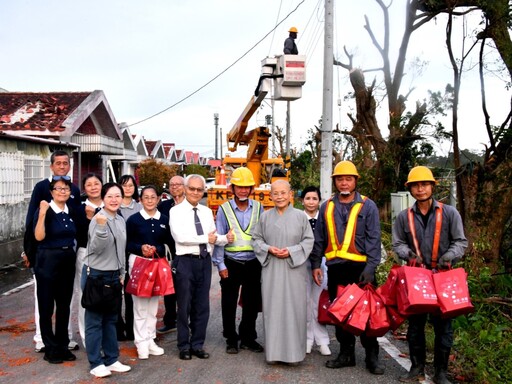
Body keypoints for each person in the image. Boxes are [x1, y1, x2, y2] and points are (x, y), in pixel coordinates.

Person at [392, 166, 468, 384]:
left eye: (424, 184)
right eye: (415, 185)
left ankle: (441, 372)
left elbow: (460, 241)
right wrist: (408, 254)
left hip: (442, 277)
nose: (420, 189)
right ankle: (416, 369)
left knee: (443, 326)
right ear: (410, 189)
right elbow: (397, 242)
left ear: (433, 186)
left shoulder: (449, 213)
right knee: (415, 325)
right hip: (417, 279)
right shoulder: (404, 217)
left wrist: (449, 257)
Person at [309, 160, 385, 375]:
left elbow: (374, 238)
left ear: (355, 181)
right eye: (340, 179)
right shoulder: (327, 206)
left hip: (361, 269)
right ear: (335, 182)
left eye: (348, 179)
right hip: (336, 269)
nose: (344, 183)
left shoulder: (368, 206)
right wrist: (316, 264)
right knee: (340, 314)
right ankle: (346, 354)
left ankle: (372, 356)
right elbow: (319, 238)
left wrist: (371, 267)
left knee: (366, 315)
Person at [24, 150, 81, 353]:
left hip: (67, 257)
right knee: (45, 302)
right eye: (58, 163)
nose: (62, 166)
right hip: (46, 255)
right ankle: (44, 340)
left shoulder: (73, 192)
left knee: (65, 301)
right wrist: (28, 252)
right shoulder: (41, 188)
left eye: (66, 163)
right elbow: (32, 224)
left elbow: (80, 221)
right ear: (52, 166)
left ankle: (62, 341)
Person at [251, 180, 314, 365]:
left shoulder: (301, 217)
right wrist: (268, 248)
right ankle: (273, 354)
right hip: (271, 269)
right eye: (276, 193)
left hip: (294, 269)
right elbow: (256, 239)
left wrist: (292, 251)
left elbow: (309, 241)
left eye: (283, 193)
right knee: (273, 309)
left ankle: (294, 355)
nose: (279, 196)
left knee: (295, 309)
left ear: (290, 194)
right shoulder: (265, 217)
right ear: (270, 195)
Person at [169, 174, 229, 360]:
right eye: (192, 189)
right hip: (185, 261)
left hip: (203, 262)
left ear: (203, 191)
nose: (195, 192)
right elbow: (181, 237)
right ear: (185, 189)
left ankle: (197, 344)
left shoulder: (205, 211)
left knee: (202, 306)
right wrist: (207, 239)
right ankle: (184, 346)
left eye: (199, 189)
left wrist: (226, 238)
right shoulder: (176, 211)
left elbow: (213, 236)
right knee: (184, 305)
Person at [212, 167, 264, 354]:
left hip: (253, 263)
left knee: (251, 303)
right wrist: (220, 264)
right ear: (232, 188)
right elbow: (219, 238)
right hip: (231, 262)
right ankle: (231, 338)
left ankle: (248, 337)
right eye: (239, 187)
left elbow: (263, 236)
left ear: (251, 189)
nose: (243, 190)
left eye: (247, 187)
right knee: (229, 302)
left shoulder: (259, 208)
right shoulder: (224, 210)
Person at [83, 182, 131, 378]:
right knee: (94, 321)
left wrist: (122, 273)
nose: (114, 200)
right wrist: (102, 228)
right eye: (110, 196)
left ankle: (111, 359)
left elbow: (122, 250)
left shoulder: (120, 220)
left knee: (111, 320)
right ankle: (96, 362)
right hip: (97, 274)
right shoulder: (98, 219)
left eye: (117, 196)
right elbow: (96, 248)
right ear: (103, 198)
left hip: (113, 275)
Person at [33, 177, 78, 364]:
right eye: (58, 188)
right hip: (47, 261)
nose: (63, 191)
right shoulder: (45, 210)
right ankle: (50, 347)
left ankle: (62, 344)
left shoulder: (69, 211)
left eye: (66, 188)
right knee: (46, 306)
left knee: (63, 305)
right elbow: (39, 236)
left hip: (67, 260)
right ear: (51, 192)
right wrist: (42, 213)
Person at [126, 185, 174, 359]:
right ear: (140, 199)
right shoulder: (133, 220)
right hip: (139, 263)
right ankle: (141, 342)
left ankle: (150, 339)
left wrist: (158, 248)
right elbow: (127, 244)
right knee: (140, 306)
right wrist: (141, 248)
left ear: (158, 199)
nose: (149, 200)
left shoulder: (165, 219)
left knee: (153, 305)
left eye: (153, 197)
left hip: (157, 263)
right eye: (145, 197)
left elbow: (170, 244)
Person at [73, 173, 103, 348]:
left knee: (105, 296)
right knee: (85, 295)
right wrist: (90, 218)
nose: (93, 187)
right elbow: (80, 234)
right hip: (85, 255)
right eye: (89, 184)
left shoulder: (110, 205)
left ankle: (103, 336)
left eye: (96, 183)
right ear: (84, 189)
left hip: (107, 256)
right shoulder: (79, 209)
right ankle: (87, 339)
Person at [300, 186, 331, 356]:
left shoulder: (326, 218)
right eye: (307, 198)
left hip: (322, 264)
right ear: (302, 200)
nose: (311, 202)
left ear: (319, 201)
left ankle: (323, 341)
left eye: (314, 198)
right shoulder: (297, 218)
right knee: (304, 302)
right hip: (302, 264)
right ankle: (306, 339)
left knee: (318, 303)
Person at [156, 175, 185, 334]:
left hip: (186, 252)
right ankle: (170, 320)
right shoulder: (164, 206)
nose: (174, 187)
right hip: (168, 252)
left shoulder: (189, 205)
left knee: (185, 289)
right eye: (172, 185)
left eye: (178, 184)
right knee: (169, 288)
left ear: (184, 186)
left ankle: (184, 320)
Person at [117, 174, 142, 341]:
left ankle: (133, 328)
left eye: (131, 186)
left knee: (131, 292)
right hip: (117, 254)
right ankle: (118, 328)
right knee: (116, 294)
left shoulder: (139, 207)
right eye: (124, 185)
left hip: (134, 253)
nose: (128, 189)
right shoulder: (114, 205)